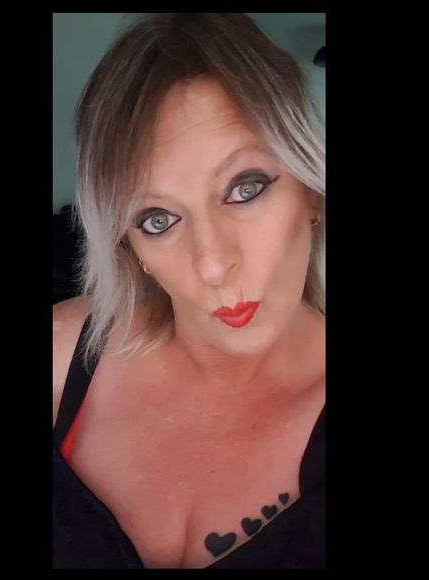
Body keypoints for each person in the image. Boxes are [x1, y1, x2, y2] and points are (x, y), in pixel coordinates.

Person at [53, 13, 325, 569]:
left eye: (245, 189)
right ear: (131, 248)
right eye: (157, 219)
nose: (213, 265)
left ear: (311, 192)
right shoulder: (62, 353)